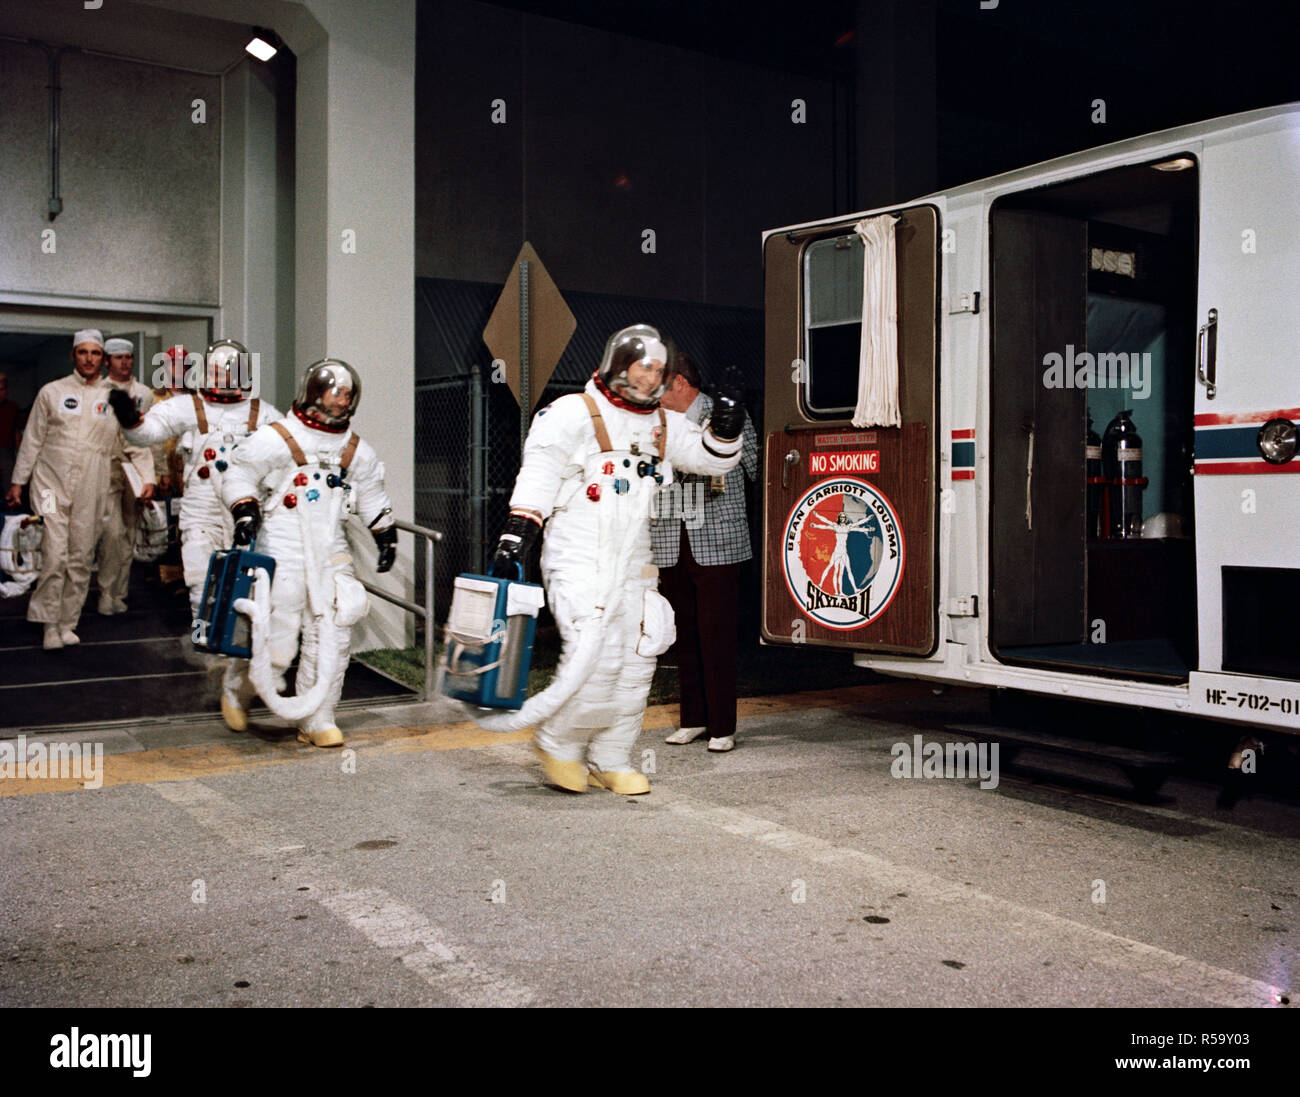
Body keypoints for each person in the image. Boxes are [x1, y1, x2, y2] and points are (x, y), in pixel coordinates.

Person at [477, 323, 745, 795]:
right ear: (620, 364)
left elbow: (711, 460)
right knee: (595, 658)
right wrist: (516, 537)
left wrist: (726, 429)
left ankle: (612, 756)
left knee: (641, 654)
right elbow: (539, 476)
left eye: (659, 370)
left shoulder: (661, 422)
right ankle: (559, 743)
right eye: (644, 367)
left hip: (635, 560)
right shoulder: (571, 413)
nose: (651, 378)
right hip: (579, 555)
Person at [219, 358, 396, 746]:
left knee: (334, 633)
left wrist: (385, 532)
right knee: (276, 638)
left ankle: (318, 716)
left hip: (330, 550)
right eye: (335, 392)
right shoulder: (277, 436)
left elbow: (371, 494)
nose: (341, 401)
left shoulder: (355, 449)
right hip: (283, 545)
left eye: (347, 394)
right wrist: (245, 508)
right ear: (315, 393)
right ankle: (239, 689)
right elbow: (238, 473)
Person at [109, 339, 284, 716]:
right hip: (202, 504)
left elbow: (290, 454)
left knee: (250, 586)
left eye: (231, 370)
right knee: (201, 580)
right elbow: (147, 433)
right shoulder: (187, 406)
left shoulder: (264, 412)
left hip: (248, 508)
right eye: (218, 370)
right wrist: (129, 420)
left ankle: (242, 665)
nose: (224, 378)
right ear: (206, 373)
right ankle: (213, 658)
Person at [653, 351, 759, 753]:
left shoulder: (725, 412)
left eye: (659, 383)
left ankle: (722, 726)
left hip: (717, 539)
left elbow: (755, 466)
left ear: (679, 382)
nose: (652, 391)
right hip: (670, 537)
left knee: (717, 634)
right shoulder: (655, 420)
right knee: (684, 635)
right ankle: (692, 719)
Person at [5, 329, 118, 650]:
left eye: (95, 353)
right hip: (50, 486)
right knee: (55, 553)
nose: (89, 359)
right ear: (73, 356)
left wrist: (147, 476)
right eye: (83, 352)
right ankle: (49, 623)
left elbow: (130, 442)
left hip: (92, 486)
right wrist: (18, 481)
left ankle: (68, 621)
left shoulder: (115, 396)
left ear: (102, 358)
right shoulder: (51, 392)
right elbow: (32, 440)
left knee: (81, 556)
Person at [96, 338, 157, 614]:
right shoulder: (98, 391)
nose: (125, 362)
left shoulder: (144, 393)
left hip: (136, 467)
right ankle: (105, 592)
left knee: (129, 533)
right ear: (107, 361)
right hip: (105, 468)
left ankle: (119, 592)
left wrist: (156, 475)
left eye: (128, 357)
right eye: (118, 357)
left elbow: (153, 437)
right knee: (112, 533)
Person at [0, 371, 23, 497]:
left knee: (9, 485)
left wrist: (21, 456)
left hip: (7, 453)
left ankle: (12, 511)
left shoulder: (12, 407)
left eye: (2, 389)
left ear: (7, 390)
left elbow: (16, 433)